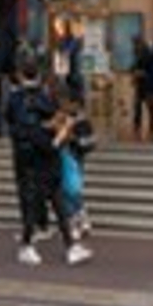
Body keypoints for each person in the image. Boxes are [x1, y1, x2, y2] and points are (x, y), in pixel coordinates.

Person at [6, 61, 89, 266]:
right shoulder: (41, 101)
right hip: (43, 158)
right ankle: (60, 245)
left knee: (38, 203)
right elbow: (46, 136)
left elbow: (16, 125)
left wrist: (53, 130)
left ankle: (55, 245)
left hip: (29, 159)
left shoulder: (17, 100)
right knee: (52, 202)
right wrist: (59, 133)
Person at [56, 98, 96, 240]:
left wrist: (71, 138)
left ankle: (76, 223)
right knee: (70, 191)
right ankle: (82, 221)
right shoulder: (64, 120)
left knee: (70, 191)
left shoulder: (82, 123)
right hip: (66, 158)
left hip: (73, 158)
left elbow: (88, 143)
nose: (65, 106)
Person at [130, 35, 151, 141]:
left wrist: (135, 72)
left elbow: (142, 66)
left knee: (140, 104)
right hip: (143, 83)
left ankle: (138, 124)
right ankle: (140, 124)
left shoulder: (143, 53)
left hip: (144, 82)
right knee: (141, 104)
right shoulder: (143, 52)